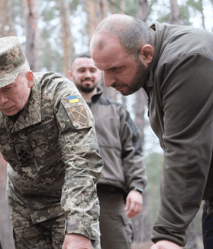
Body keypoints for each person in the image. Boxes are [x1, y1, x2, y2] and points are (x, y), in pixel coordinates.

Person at [0, 36, 103, 249]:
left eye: (8, 88)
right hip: (24, 205)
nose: (1, 100)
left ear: (29, 78)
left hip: (68, 202)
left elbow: (82, 161)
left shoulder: (59, 95)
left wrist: (78, 227)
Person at [90, 14, 213, 249]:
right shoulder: (155, 65)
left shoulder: (187, 59)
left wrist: (169, 234)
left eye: (115, 69)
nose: (107, 81)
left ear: (146, 53)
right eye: (102, 70)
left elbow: (185, 149)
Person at [68, 52, 147, 249]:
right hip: (69, 199)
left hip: (110, 197)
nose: (87, 74)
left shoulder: (117, 111)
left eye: (92, 70)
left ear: (100, 73)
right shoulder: (60, 109)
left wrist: (136, 189)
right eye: (81, 70)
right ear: (71, 75)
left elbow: (133, 152)